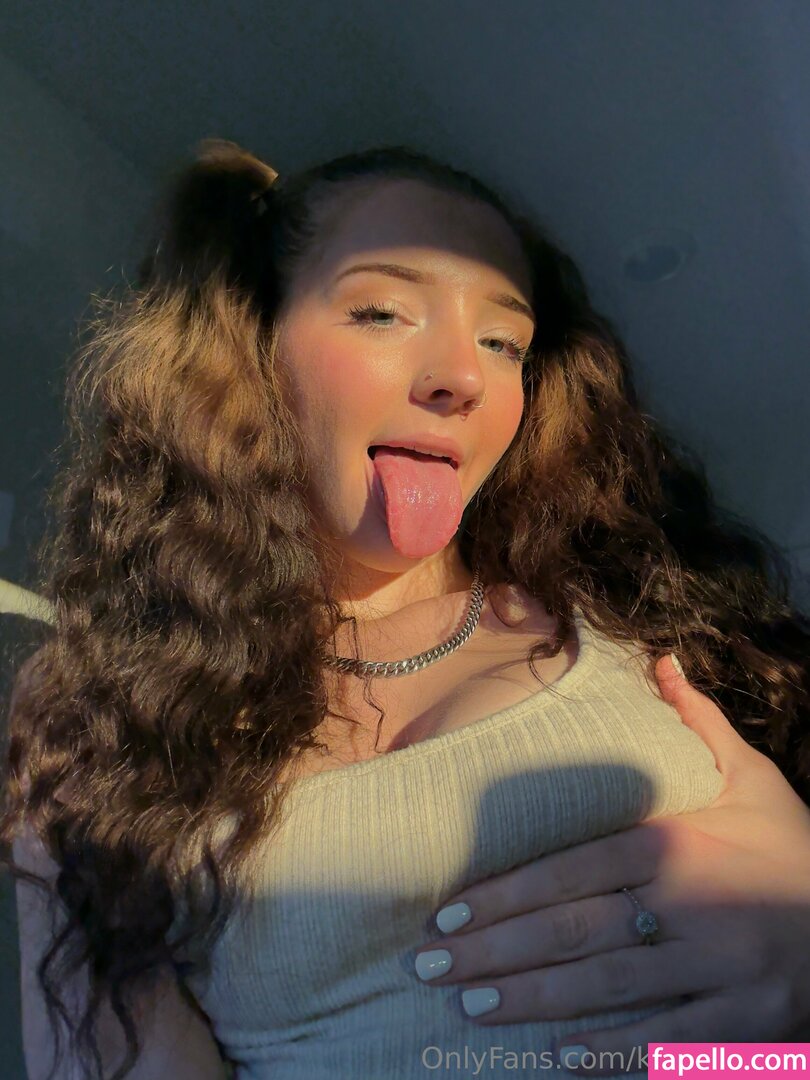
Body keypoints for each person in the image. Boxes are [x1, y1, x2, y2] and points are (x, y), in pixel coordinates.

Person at [2, 138, 808, 1080]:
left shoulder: (648, 610)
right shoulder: (112, 714)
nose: (462, 376)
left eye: (503, 343)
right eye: (382, 312)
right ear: (249, 351)